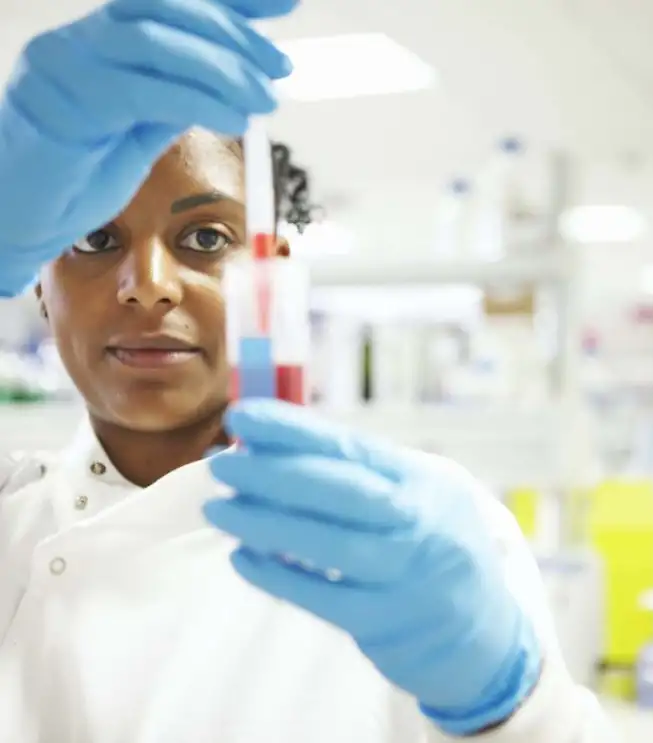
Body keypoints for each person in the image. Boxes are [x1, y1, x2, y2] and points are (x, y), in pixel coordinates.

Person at [0, 1, 614, 741]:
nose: (148, 283)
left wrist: (513, 705)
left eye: (203, 236)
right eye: (95, 236)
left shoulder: (413, 534)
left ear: (272, 279)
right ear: (35, 276)